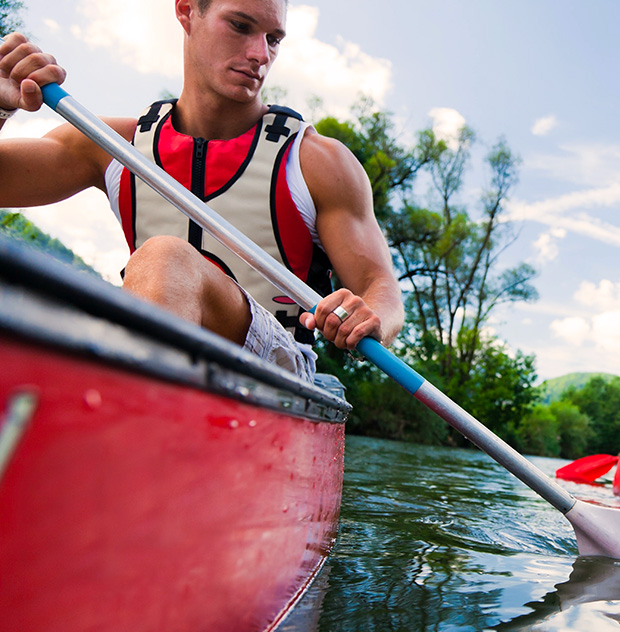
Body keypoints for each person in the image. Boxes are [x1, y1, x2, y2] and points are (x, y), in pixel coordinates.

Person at [0, 0, 404, 382]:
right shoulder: (109, 145)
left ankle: (123, 418)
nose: (260, 54)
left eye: (273, 39)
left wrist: (369, 316)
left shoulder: (318, 162)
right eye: (241, 26)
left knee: (164, 257)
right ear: (186, 10)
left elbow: (381, 290)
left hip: (277, 369)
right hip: (150, 344)